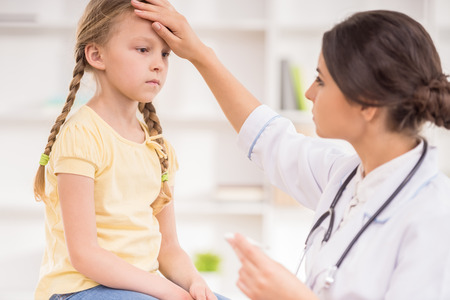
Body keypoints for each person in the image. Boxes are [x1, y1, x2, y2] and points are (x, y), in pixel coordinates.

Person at [131, 0, 450, 299]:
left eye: (321, 80)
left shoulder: (433, 216)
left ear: (368, 104)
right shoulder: (346, 176)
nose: (309, 93)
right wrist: (200, 54)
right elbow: (270, 138)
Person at [33, 1, 230, 299]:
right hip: (79, 289)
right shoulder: (81, 136)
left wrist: (194, 283)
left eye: (165, 54)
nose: (158, 64)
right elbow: (85, 255)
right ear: (97, 55)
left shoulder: (159, 147)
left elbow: (168, 246)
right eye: (143, 49)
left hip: (141, 287)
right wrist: (168, 292)